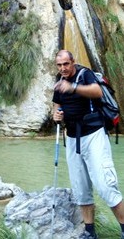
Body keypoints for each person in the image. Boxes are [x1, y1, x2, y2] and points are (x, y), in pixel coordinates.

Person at [52, 50, 124, 239]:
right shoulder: (59, 82)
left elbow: (97, 91)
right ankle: (89, 232)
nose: (63, 68)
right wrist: (56, 115)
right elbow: (56, 105)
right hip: (72, 138)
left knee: (106, 185)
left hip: (94, 136)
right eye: (59, 65)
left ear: (73, 62)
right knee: (80, 187)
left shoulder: (85, 75)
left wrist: (73, 87)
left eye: (66, 64)